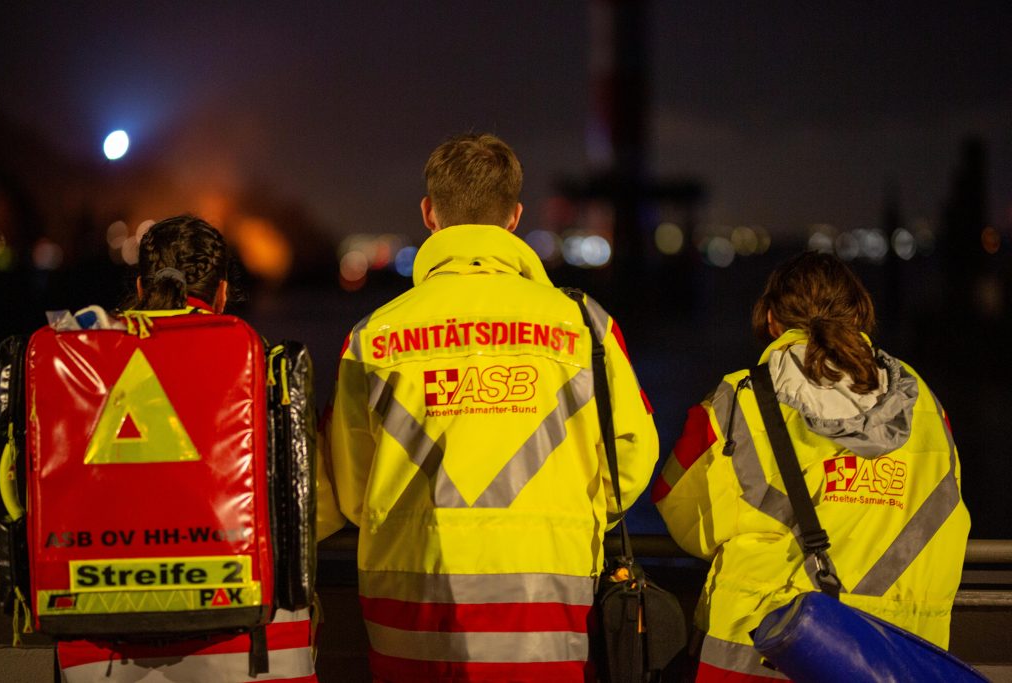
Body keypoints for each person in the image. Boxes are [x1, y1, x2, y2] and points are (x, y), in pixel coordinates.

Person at [328, 133, 659, 682]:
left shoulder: (372, 335)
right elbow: (632, 456)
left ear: (430, 213)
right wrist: (571, 515)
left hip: (411, 610)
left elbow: (352, 483)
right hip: (551, 609)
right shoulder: (586, 327)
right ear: (514, 216)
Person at [652, 252, 971, 681]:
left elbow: (680, 511)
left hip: (764, 651)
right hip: (899, 659)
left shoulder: (740, 398)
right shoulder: (926, 407)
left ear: (770, 320)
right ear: (859, 314)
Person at [54, 214, 344, 682]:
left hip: (99, 646)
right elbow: (310, 510)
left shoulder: (76, 367)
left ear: (142, 288)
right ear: (223, 292)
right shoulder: (263, 370)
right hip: (252, 646)